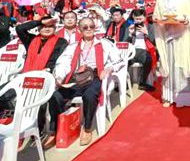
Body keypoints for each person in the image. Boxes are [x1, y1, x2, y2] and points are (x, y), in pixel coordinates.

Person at [50, 17, 117, 146]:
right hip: (77, 78)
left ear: (95, 27)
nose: (88, 29)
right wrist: (59, 77)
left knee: (90, 95)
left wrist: (108, 69)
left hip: (96, 76)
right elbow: (63, 63)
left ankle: (87, 128)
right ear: (79, 30)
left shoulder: (104, 44)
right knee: (55, 95)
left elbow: (118, 59)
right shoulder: (73, 46)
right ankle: (55, 130)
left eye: (91, 26)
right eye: (85, 27)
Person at [15, 16, 69, 148]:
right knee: (17, 101)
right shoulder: (31, 39)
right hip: (28, 78)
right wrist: (39, 21)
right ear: (39, 28)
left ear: (55, 28)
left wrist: (47, 71)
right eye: (44, 26)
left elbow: (58, 60)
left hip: (48, 77)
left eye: (50, 26)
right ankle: (23, 130)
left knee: (46, 101)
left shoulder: (61, 41)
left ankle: (43, 131)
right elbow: (19, 28)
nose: (47, 29)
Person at [153, 0, 190, 108]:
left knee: (181, 67)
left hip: (181, 37)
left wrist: (186, 20)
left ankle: (183, 98)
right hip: (167, 37)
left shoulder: (185, 0)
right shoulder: (161, 0)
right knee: (168, 66)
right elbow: (156, 16)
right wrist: (158, 21)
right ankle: (167, 96)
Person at [125, 9, 157, 92]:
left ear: (145, 17)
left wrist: (147, 33)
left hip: (145, 50)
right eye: (136, 19)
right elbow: (124, 43)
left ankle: (143, 82)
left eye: (140, 19)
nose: (138, 21)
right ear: (133, 18)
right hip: (132, 50)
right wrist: (129, 34)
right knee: (124, 60)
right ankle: (125, 83)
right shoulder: (130, 26)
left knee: (148, 60)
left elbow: (155, 42)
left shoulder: (150, 26)